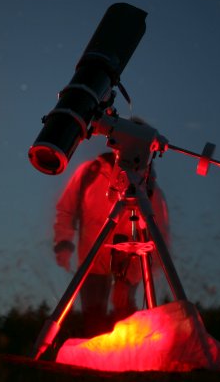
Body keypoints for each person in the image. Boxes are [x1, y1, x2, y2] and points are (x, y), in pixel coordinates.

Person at [53, 143, 170, 337]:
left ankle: (125, 363)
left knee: (124, 326)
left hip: (126, 268)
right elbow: (66, 209)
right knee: (93, 326)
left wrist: (126, 279)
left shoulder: (149, 191)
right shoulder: (88, 173)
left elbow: (159, 241)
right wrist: (63, 243)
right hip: (91, 267)